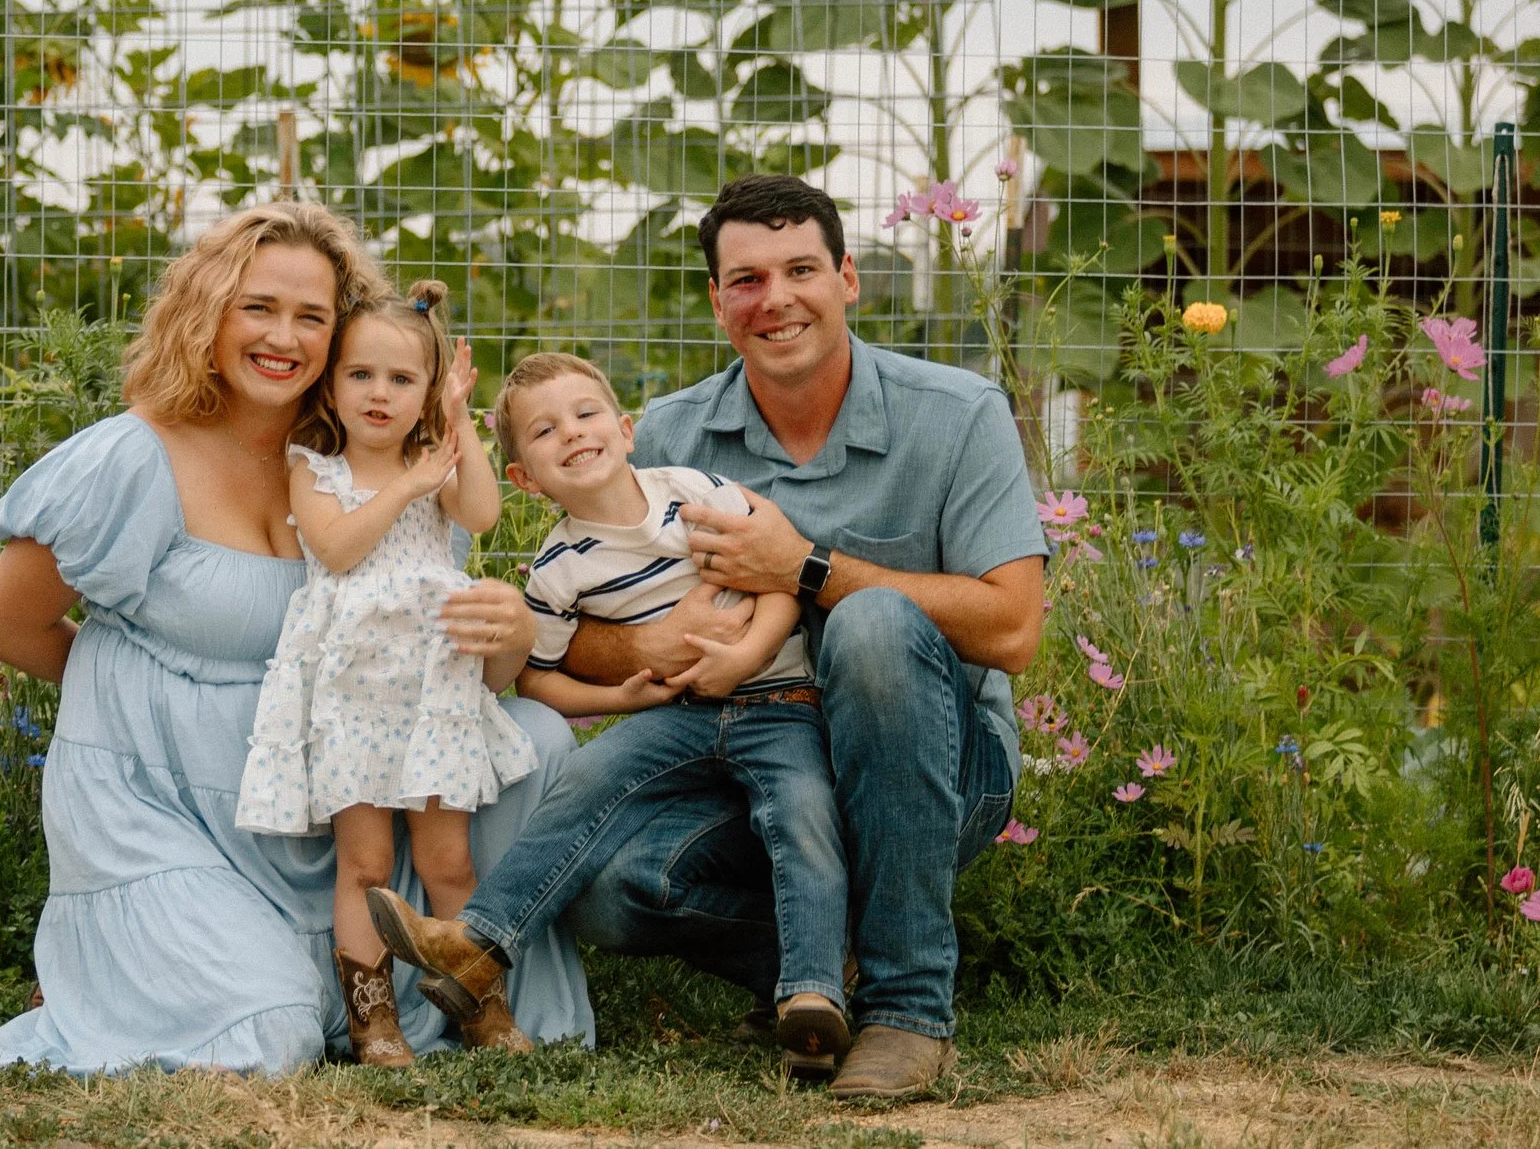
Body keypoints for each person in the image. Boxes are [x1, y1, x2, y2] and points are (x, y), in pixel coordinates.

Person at [0, 206, 592, 1079]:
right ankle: (225, 969)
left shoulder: (377, 465)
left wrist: (514, 632)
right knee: (267, 1032)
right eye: (257, 307)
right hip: (162, 808)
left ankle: (460, 991)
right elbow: (2, 623)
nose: (284, 337)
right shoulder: (133, 458)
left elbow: (447, 666)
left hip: (334, 786)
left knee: (535, 743)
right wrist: (143, 696)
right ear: (207, 313)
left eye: (312, 316)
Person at [559, 173, 1047, 1100]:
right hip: (754, 773)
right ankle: (823, 966)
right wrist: (656, 642)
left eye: (800, 269)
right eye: (746, 279)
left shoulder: (959, 414)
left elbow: (1016, 629)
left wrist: (805, 567)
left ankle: (908, 1009)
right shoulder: (670, 433)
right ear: (716, 300)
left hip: (938, 774)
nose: (775, 299)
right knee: (606, 886)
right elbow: (581, 638)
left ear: (848, 277)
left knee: (866, 624)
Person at [365, 351, 852, 1082]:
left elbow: (781, 580)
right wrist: (621, 699)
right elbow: (540, 680)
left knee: (802, 813)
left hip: (778, 704)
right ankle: (480, 942)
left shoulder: (693, 494)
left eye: (586, 414)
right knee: (587, 777)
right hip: (679, 713)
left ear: (626, 430)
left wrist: (746, 653)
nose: (572, 432)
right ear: (525, 477)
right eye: (544, 430)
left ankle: (812, 995)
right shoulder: (559, 566)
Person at [236, 280, 538, 1066]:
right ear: (332, 383)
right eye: (362, 374)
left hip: (432, 686)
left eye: (403, 379)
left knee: (450, 861)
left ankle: (482, 1006)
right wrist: (406, 482)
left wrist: (459, 424)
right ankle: (374, 1022)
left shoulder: (435, 461)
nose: (380, 393)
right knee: (364, 863)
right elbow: (336, 549)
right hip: (350, 693)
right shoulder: (317, 467)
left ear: (426, 390)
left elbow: (479, 514)